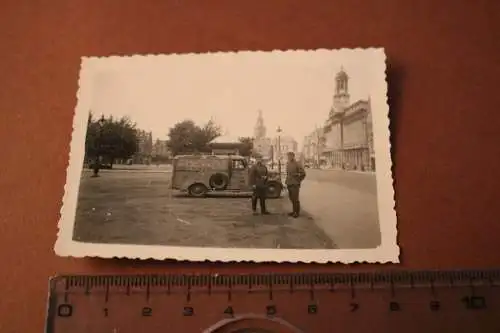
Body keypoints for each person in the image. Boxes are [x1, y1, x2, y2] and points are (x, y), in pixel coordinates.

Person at [285, 151, 306, 218]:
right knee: (291, 198)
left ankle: (297, 212)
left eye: (290, 156)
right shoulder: (288, 163)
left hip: (295, 184)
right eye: (288, 156)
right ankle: (294, 211)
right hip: (289, 183)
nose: (289, 157)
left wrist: (298, 180)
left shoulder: (297, 164)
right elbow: (288, 174)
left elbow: (303, 174)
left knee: (295, 199)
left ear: (293, 156)